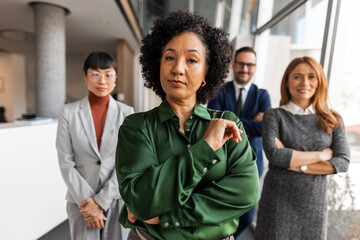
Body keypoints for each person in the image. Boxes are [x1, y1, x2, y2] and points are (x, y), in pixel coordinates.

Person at [115, 11, 259, 240]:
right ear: (158, 64)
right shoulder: (137, 127)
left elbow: (246, 193)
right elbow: (142, 201)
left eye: (192, 60)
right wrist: (206, 146)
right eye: (169, 57)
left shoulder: (228, 123)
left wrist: (165, 217)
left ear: (206, 74)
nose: (178, 68)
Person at [255, 56, 350, 240]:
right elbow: (275, 155)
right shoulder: (274, 115)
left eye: (311, 76)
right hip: (278, 201)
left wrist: (294, 163)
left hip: (314, 205)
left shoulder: (333, 119)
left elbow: (343, 161)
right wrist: (322, 155)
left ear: (319, 81)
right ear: (287, 82)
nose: (305, 82)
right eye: (297, 76)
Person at [56, 52, 134, 240]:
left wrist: (101, 201)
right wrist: (89, 203)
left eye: (108, 74)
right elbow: (65, 162)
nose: (102, 81)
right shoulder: (69, 112)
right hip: (81, 202)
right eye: (95, 74)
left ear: (116, 77)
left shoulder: (127, 113)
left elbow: (129, 162)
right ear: (85, 76)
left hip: (115, 199)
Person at [207, 46, 271, 236]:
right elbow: (214, 120)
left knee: (248, 214)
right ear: (233, 65)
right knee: (220, 205)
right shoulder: (219, 90)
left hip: (252, 161)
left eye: (249, 65)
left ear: (255, 67)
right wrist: (252, 125)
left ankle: (230, 236)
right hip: (222, 158)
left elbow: (264, 128)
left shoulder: (263, 95)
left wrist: (231, 122)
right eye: (241, 64)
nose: (245, 69)